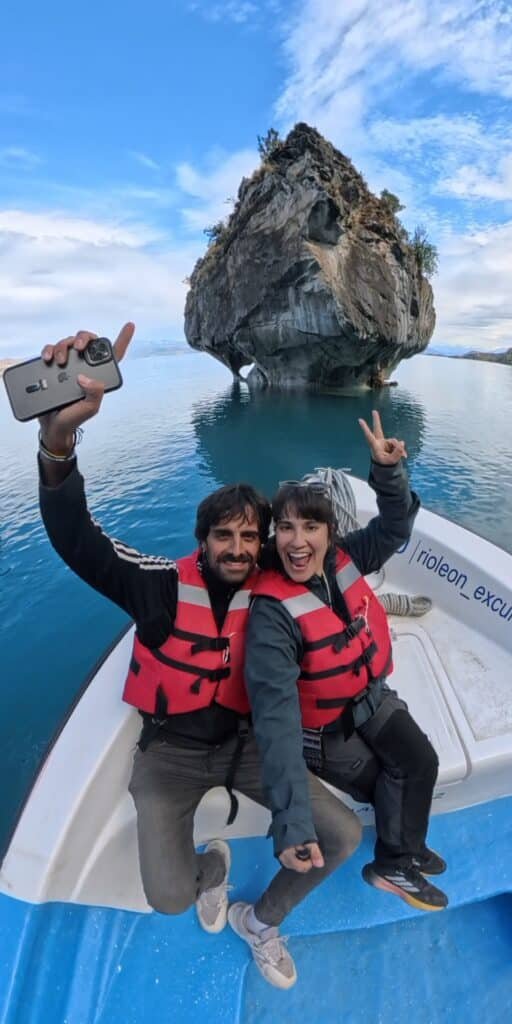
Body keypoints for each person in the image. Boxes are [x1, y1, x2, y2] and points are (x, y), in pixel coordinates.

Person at [36, 324, 363, 990]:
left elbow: (348, 557)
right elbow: (76, 536)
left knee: (344, 836)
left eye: (251, 536)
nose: (239, 549)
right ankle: (211, 870)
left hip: (249, 747)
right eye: (224, 536)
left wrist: (389, 480)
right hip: (171, 756)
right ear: (202, 539)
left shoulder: (279, 590)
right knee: (169, 899)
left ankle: (262, 920)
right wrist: (58, 439)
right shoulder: (155, 584)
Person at [242, 410, 448, 919]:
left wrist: (388, 475)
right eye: (285, 528)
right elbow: (276, 720)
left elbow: (396, 527)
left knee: (421, 760)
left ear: (330, 532)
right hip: (324, 731)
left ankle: (401, 854)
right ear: (274, 537)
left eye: (311, 526)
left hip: (368, 697)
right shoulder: (273, 616)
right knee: (387, 775)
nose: (297, 541)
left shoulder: (345, 558)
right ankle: (392, 863)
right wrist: (292, 822)